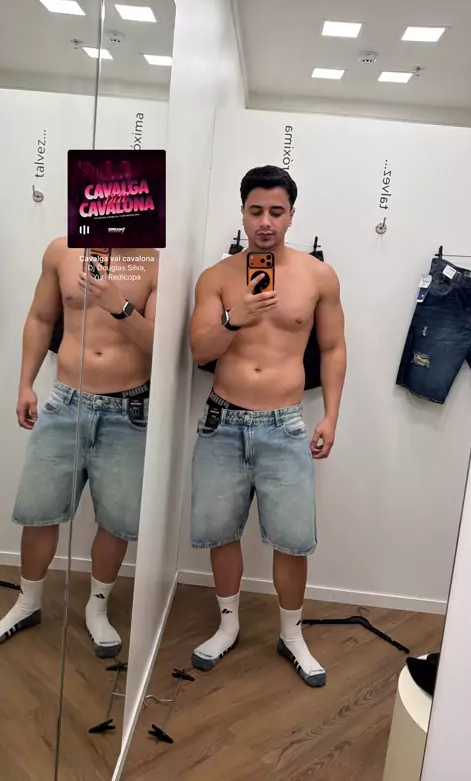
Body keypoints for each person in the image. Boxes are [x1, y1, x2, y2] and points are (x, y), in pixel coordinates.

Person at [189, 165, 346, 687]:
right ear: (242, 212)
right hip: (222, 421)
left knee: (292, 539)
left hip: (285, 424)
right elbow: (199, 351)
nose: (265, 222)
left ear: (291, 215)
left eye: (276, 212)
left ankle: (292, 634)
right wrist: (234, 317)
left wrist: (331, 415)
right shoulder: (216, 277)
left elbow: (332, 348)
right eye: (255, 210)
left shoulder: (318, 276)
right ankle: (227, 625)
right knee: (220, 531)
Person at [0, 238, 158, 657]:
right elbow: (40, 318)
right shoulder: (61, 250)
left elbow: (159, 345)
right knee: (39, 509)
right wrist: (25, 384)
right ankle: (28, 602)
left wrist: (119, 305)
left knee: (117, 519)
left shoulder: (153, 261)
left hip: (128, 409)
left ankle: (97, 607)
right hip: (65, 401)